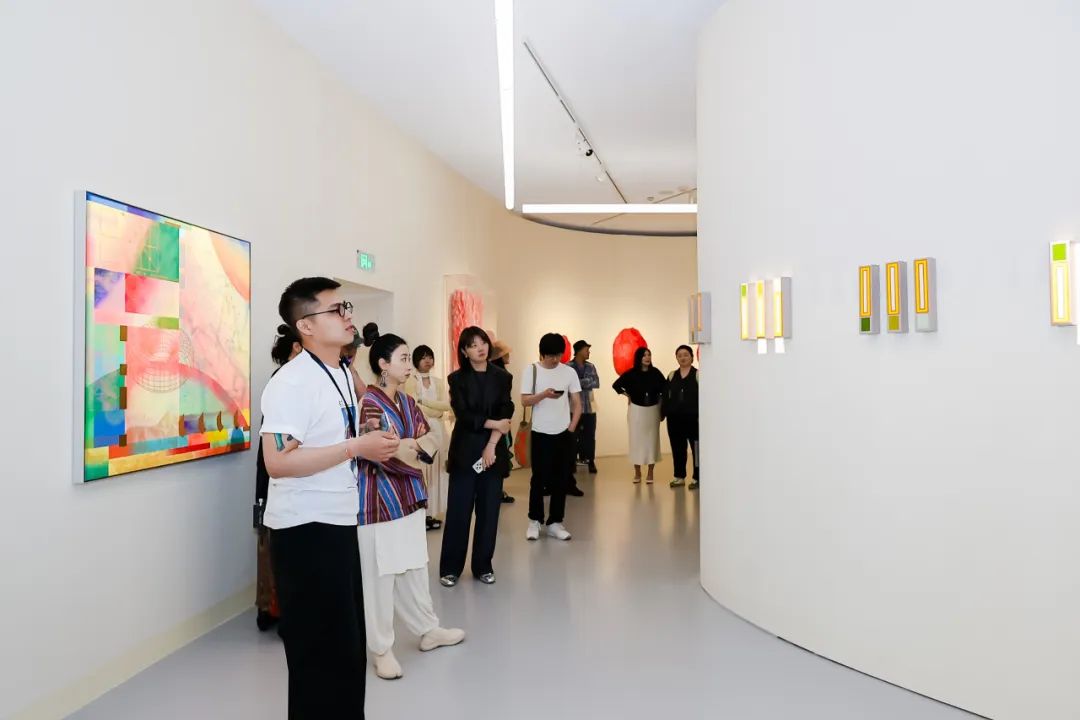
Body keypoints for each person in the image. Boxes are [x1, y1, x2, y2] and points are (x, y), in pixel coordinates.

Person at [260, 277, 400, 719]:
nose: (348, 316)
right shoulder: (291, 382)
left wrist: (364, 435)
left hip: (338, 522)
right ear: (306, 325)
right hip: (305, 530)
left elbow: (331, 436)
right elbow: (277, 462)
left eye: (347, 307)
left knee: (346, 651)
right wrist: (356, 447)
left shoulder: (339, 371)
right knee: (318, 657)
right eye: (336, 310)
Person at [357, 334, 465, 680]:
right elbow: (382, 450)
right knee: (381, 575)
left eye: (408, 358)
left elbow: (432, 437)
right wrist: (411, 447)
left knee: (415, 566)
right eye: (402, 359)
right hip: (379, 501)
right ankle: (381, 649)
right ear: (382, 365)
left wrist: (410, 446)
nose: (409, 365)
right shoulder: (369, 403)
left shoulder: (407, 400)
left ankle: (427, 629)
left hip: (409, 497)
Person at [439, 327, 515, 586]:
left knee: (489, 513)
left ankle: (483, 566)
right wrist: (495, 424)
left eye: (482, 342)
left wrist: (492, 445)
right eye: (472, 345)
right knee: (459, 512)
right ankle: (450, 568)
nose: (480, 348)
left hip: (492, 453)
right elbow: (464, 415)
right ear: (464, 351)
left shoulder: (503, 377)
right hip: (465, 453)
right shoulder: (456, 379)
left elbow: (506, 411)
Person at [254, 324, 303, 632]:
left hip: (282, 471)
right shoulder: (284, 382)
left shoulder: (291, 380)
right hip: (279, 471)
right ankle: (276, 611)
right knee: (276, 546)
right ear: (295, 348)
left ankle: (277, 610)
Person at [521, 333, 582, 541]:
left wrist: (571, 428)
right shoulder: (531, 370)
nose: (555, 359)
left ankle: (556, 522)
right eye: (551, 356)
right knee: (538, 479)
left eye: (558, 355)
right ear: (542, 353)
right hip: (540, 432)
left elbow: (577, 403)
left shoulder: (569, 372)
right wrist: (544, 395)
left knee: (561, 479)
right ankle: (534, 520)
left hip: (563, 433)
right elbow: (524, 401)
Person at [403, 345, 451, 530]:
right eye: (423, 357)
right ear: (416, 360)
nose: (427, 360)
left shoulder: (438, 381)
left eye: (430, 357)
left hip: (438, 431)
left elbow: (446, 406)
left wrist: (424, 402)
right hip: (421, 430)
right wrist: (433, 409)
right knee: (422, 471)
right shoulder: (410, 380)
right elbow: (414, 406)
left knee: (437, 472)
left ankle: (431, 514)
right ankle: (420, 513)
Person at [612, 347, 666, 483]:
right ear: (639, 358)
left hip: (653, 410)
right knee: (636, 441)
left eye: (649, 355)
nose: (647, 357)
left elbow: (665, 390)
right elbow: (616, 385)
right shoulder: (631, 373)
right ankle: (637, 472)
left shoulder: (656, 373)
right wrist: (627, 395)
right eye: (644, 355)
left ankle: (650, 472)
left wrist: (662, 408)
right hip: (636, 410)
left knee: (652, 441)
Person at [664, 345, 700, 489]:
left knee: (696, 449)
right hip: (674, 419)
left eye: (686, 355)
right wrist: (665, 412)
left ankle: (697, 477)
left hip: (693, 419)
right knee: (677, 448)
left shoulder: (698, 375)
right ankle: (679, 477)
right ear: (676, 358)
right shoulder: (672, 375)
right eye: (679, 355)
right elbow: (665, 396)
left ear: (692, 357)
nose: (683, 358)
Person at [489, 338, 517, 504]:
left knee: (496, 455)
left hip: (499, 421)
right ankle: (496, 491)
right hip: (498, 423)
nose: (509, 356)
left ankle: (495, 490)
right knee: (498, 455)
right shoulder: (503, 376)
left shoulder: (500, 375)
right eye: (506, 353)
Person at [569, 340, 600, 475]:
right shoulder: (568, 367)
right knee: (572, 436)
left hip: (589, 408)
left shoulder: (591, 366)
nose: (589, 352)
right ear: (579, 350)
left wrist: (578, 383)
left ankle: (590, 460)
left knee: (590, 436)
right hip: (572, 408)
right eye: (586, 349)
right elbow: (568, 385)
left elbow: (596, 383)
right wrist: (587, 382)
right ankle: (572, 462)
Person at [351, 322, 380, 389]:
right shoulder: (379, 348)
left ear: (364, 334)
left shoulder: (357, 347)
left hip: (357, 382)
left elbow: (351, 364)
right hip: (373, 385)